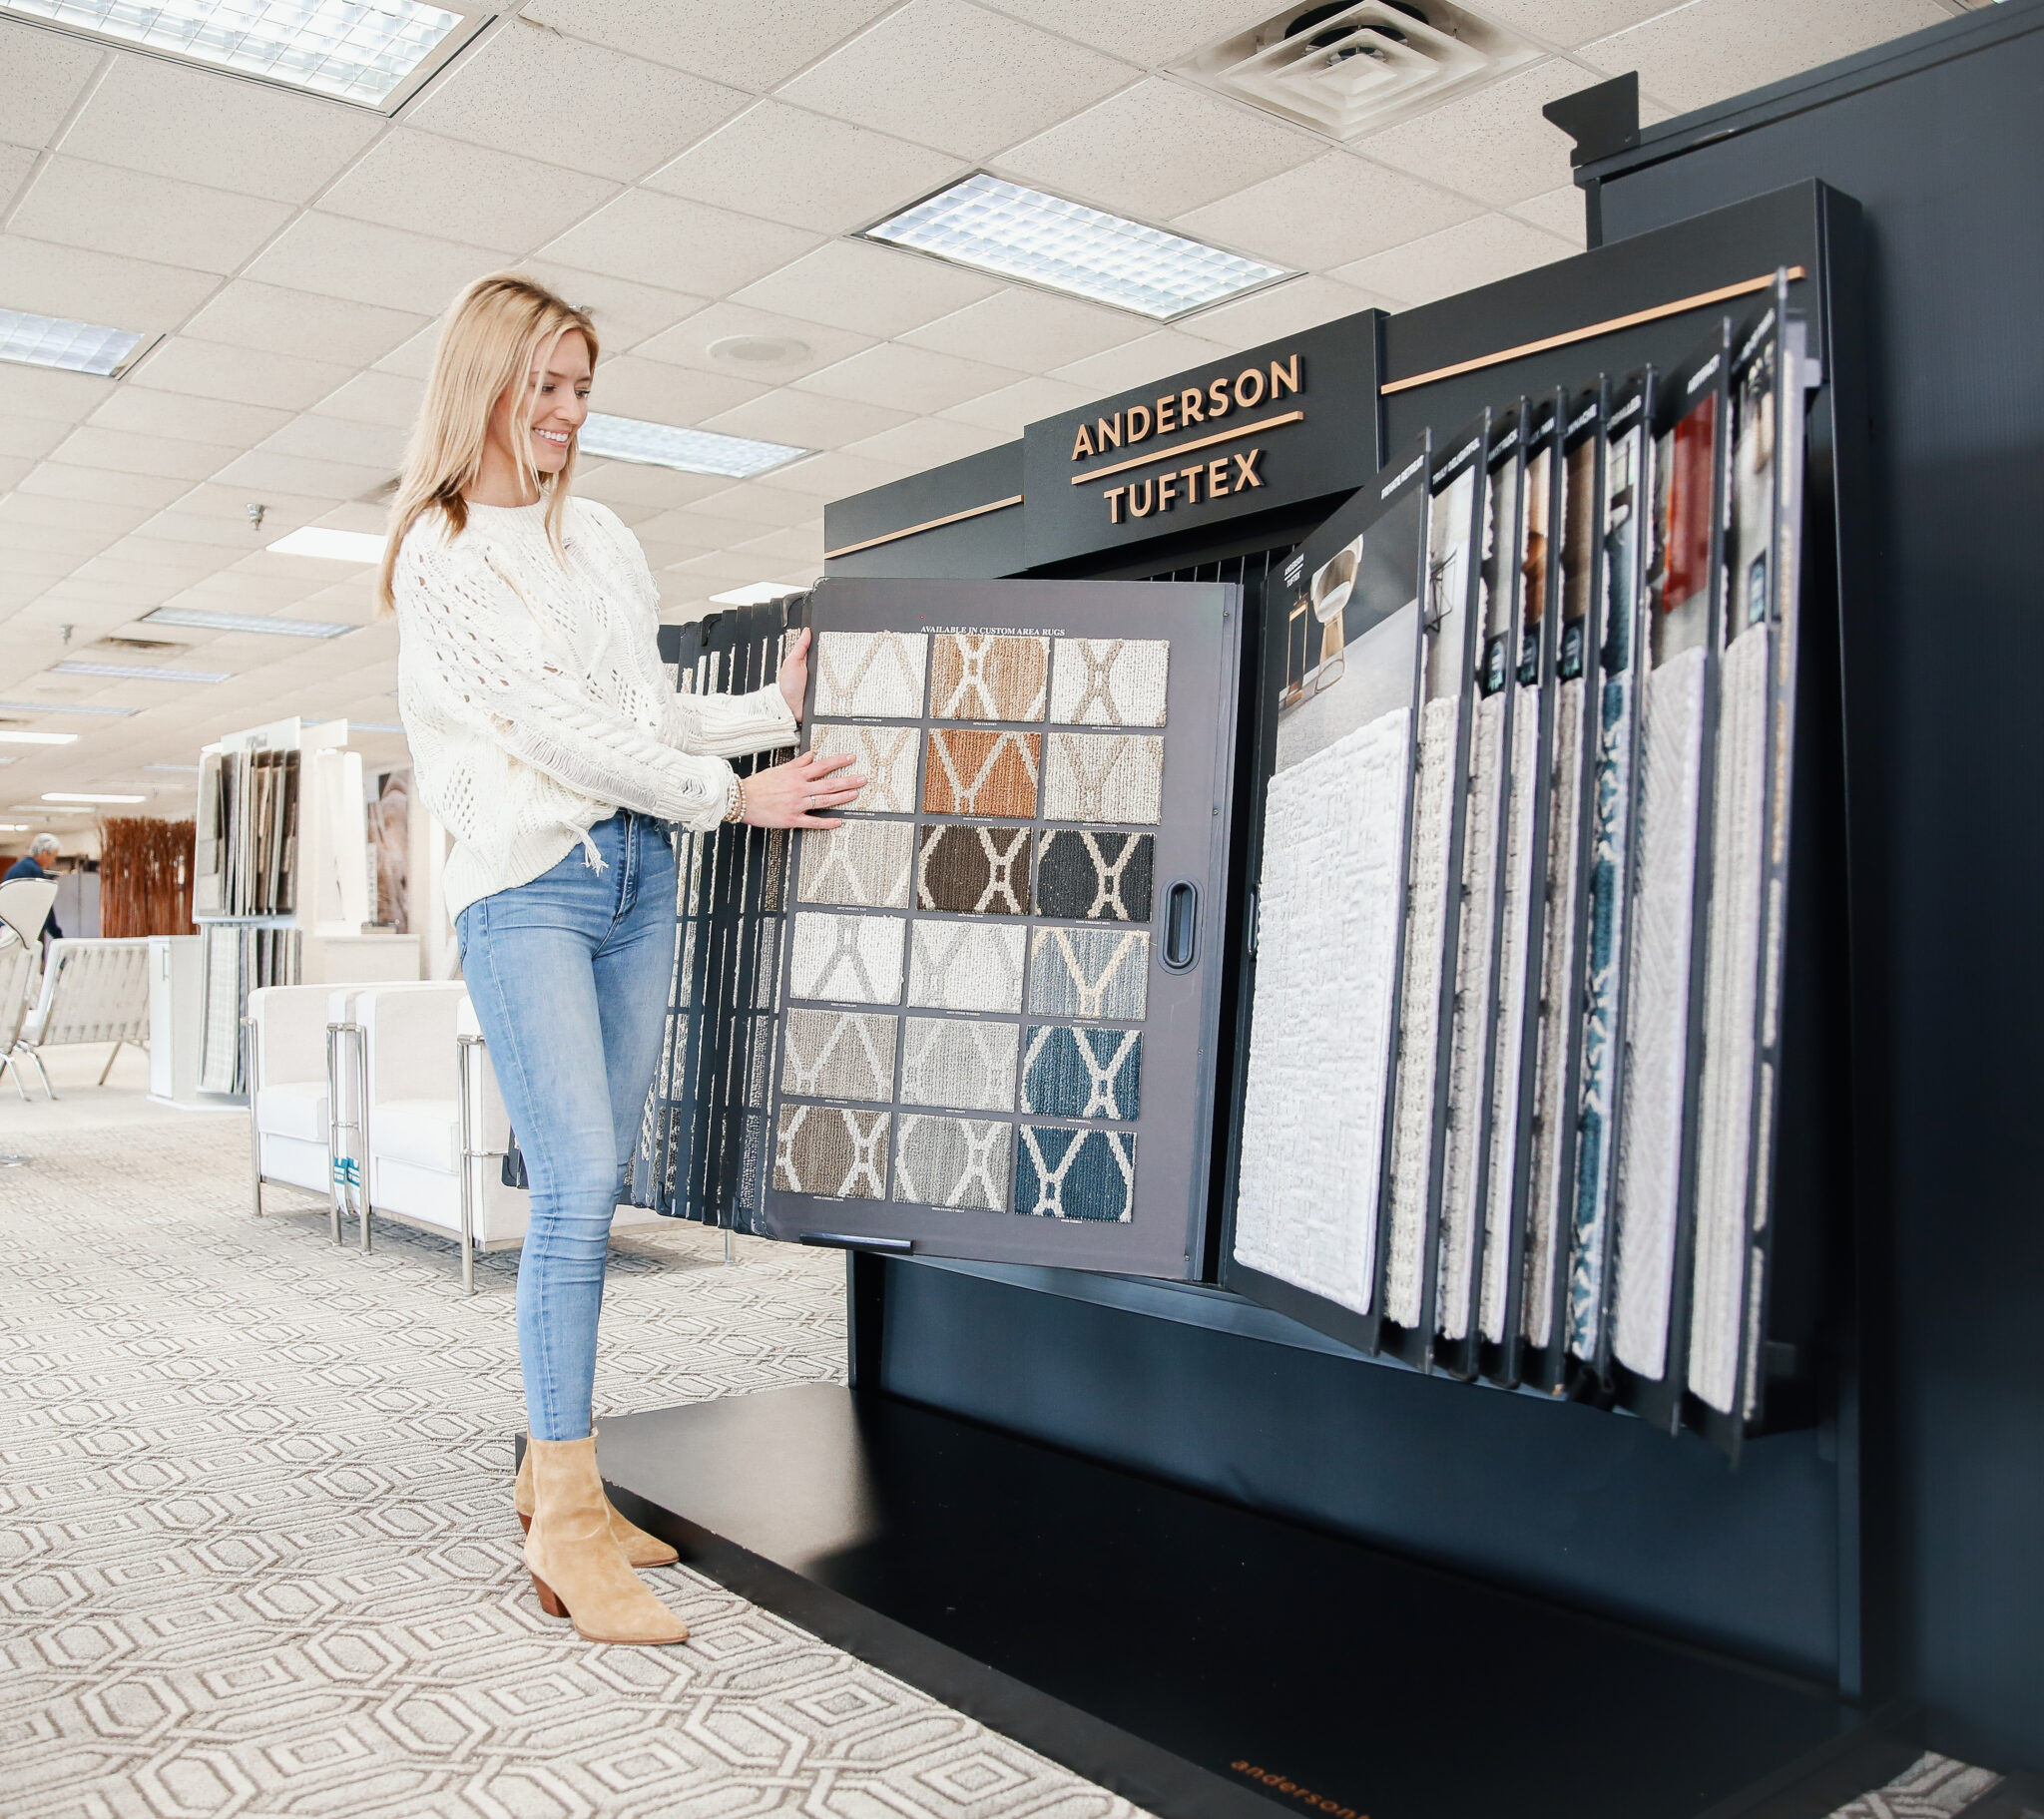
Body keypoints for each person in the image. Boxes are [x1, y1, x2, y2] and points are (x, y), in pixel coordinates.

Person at [382, 273, 862, 1648]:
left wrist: (769, 712)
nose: (566, 412)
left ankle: (550, 1472)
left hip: (640, 875)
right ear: (482, 381)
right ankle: (569, 1511)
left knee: (609, 1174)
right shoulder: (440, 548)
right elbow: (543, 727)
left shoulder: (600, 536)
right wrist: (736, 796)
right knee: (581, 1177)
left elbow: (637, 711)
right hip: (527, 887)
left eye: (583, 387)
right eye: (544, 384)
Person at [3, 833, 64, 942]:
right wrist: (57, 935)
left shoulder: (17, 867)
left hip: (6, 926)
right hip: (19, 930)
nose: (53, 861)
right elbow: (44, 906)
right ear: (45, 853)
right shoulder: (34, 872)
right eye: (54, 856)